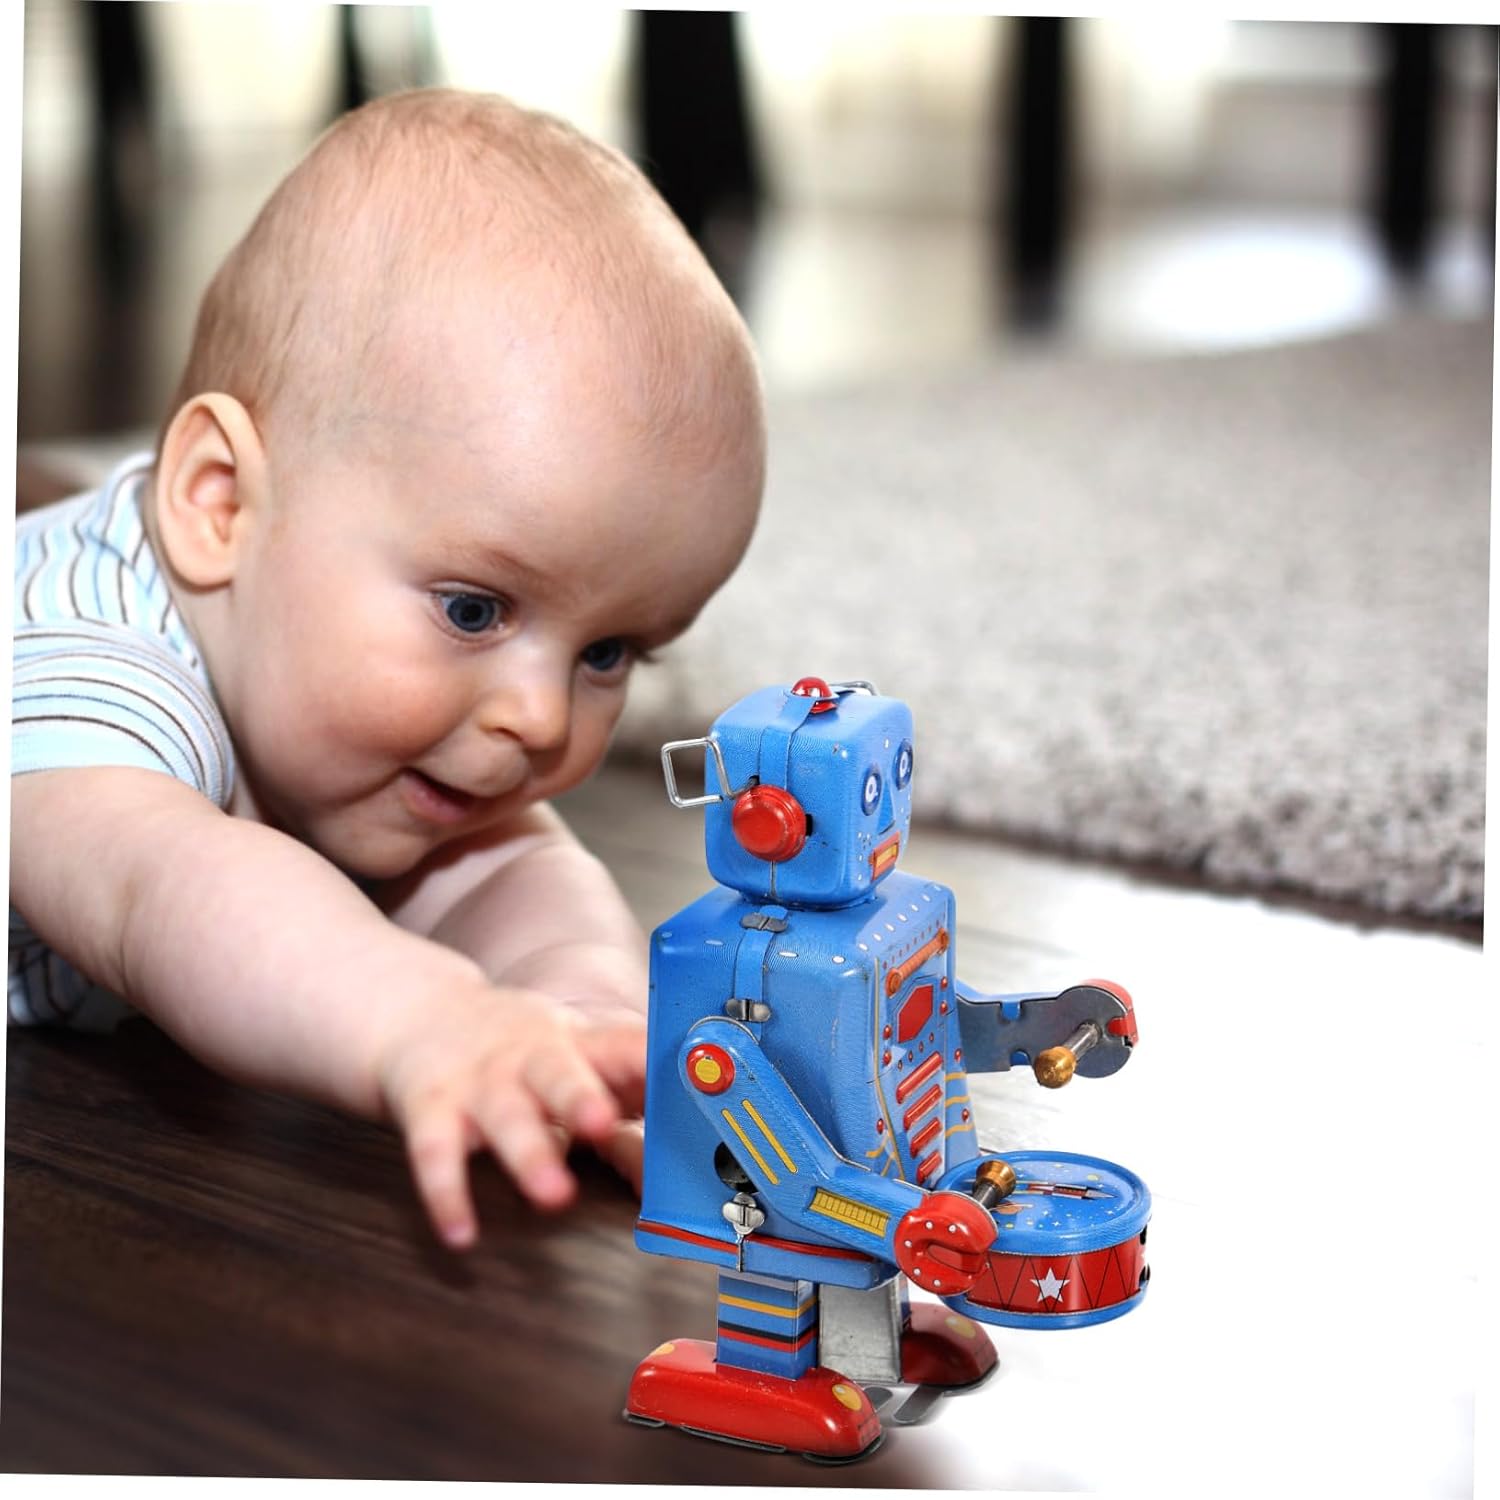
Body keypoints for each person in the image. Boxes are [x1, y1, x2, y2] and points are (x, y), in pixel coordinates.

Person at [9, 89, 765, 1250]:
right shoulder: (83, 671)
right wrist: (424, 1019)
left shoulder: (359, 703)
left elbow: (512, 875)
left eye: (607, 651)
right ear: (220, 504)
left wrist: (585, 1030)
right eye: (474, 609)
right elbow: (165, 891)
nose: (539, 716)